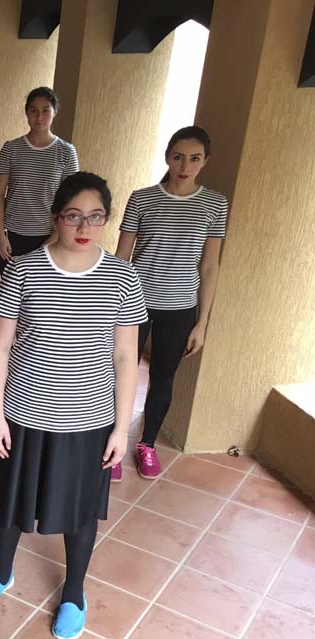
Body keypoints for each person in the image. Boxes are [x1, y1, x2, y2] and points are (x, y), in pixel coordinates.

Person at [0, 172, 146, 639]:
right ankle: (2, 570)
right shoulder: (24, 270)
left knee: (81, 511)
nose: (84, 227)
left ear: (107, 220)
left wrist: (121, 428)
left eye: (95, 217)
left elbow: (125, 357)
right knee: (11, 500)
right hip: (24, 414)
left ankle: (73, 592)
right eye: (73, 216)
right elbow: (0, 348)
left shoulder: (123, 276)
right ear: (55, 218)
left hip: (89, 420)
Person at [115, 126, 228, 480]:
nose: (184, 166)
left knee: (163, 378)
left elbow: (209, 266)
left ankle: (147, 444)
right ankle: (112, 444)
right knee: (121, 372)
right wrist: (110, 306)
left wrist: (202, 323)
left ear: (205, 162)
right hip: (134, 302)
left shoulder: (215, 204)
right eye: (178, 157)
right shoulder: (142, 199)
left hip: (180, 308)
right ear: (167, 157)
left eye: (194, 159)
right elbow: (121, 258)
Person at [0, 86, 79, 275]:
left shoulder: (66, 152)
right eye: (33, 111)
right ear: (26, 113)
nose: (39, 117)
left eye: (45, 111)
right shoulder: (11, 149)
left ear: (55, 112)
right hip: (13, 234)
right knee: (10, 283)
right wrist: (0, 235)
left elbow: (71, 201)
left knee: (44, 288)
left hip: (49, 235)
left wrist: (55, 236)